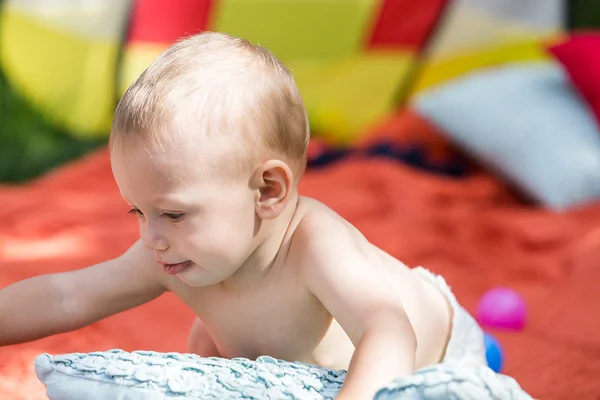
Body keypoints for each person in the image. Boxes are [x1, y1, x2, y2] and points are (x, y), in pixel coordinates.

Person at [0, 32, 486, 399]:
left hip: (431, 358)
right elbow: (68, 295)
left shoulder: (314, 242)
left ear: (268, 190)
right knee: (207, 350)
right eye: (137, 211)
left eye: (172, 213)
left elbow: (388, 331)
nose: (150, 237)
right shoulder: (171, 254)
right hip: (288, 368)